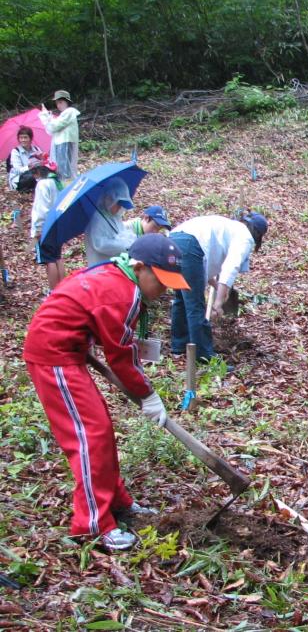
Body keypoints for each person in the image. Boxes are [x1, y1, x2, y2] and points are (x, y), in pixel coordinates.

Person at [23, 234, 190, 550]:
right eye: (161, 280)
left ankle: (116, 501)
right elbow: (122, 355)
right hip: (54, 356)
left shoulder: (117, 279)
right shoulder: (120, 293)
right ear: (139, 267)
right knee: (90, 436)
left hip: (70, 352)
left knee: (100, 431)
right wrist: (147, 395)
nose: (165, 289)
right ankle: (92, 525)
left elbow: (104, 327)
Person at [169, 212, 267, 362]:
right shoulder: (245, 237)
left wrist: (216, 286)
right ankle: (204, 357)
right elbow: (230, 267)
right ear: (258, 235)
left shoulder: (230, 228)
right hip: (190, 244)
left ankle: (179, 346)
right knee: (196, 305)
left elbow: (203, 265)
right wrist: (219, 303)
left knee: (182, 298)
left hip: (174, 239)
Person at [84, 179, 138, 266]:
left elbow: (120, 232)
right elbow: (100, 245)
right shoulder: (96, 219)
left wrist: (131, 239)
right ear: (108, 198)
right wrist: (125, 245)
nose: (120, 208)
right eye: (118, 204)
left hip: (114, 264)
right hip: (100, 265)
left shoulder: (113, 216)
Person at [29, 163, 66, 290]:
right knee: (58, 257)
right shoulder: (57, 182)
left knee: (49, 260)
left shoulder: (43, 184)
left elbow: (41, 208)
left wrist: (38, 228)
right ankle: (62, 289)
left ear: (38, 172)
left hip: (47, 225)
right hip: (59, 224)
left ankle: (54, 291)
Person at [39, 90, 80, 184]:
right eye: (57, 103)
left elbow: (54, 126)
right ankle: (63, 186)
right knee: (59, 168)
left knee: (64, 169)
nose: (59, 105)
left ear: (67, 102)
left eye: (61, 102)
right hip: (60, 143)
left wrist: (46, 117)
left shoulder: (70, 112)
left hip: (65, 143)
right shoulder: (63, 114)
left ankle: (66, 187)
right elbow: (54, 126)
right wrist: (48, 118)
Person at [8, 126, 44, 191]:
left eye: (25, 137)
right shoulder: (16, 151)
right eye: (21, 138)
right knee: (32, 175)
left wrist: (42, 159)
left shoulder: (36, 149)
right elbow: (17, 170)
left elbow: (42, 164)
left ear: (30, 138)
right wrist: (28, 167)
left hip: (35, 174)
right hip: (19, 178)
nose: (23, 140)